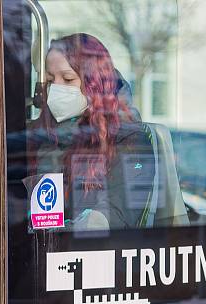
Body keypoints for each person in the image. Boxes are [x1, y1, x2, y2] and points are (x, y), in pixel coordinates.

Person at [29, 33, 156, 230]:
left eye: (68, 79)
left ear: (94, 84)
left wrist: (59, 233)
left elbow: (114, 216)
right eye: (50, 79)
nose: (56, 88)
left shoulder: (128, 140)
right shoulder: (44, 133)